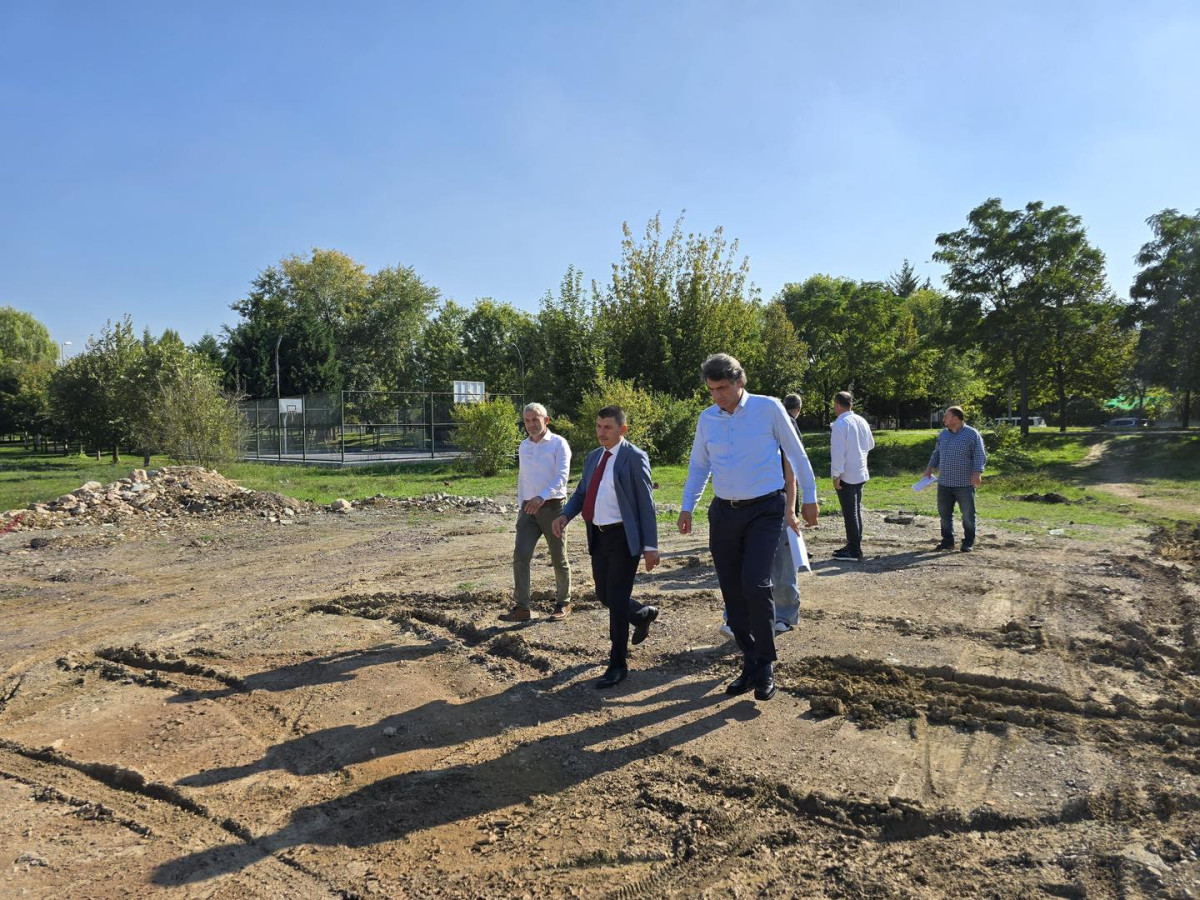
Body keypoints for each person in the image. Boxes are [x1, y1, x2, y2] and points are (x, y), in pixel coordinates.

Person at [679, 354, 818, 701]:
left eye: (722, 388)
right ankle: (750, 660)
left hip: (765, 510)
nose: (717, 396)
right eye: (711, 390)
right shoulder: (707, 418)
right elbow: (699, 466)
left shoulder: (768, 409)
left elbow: (797, 455)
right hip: (724, 512)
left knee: (756, 584)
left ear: (740, 381)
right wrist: (687, 506)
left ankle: (765, 665)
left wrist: (810, 497)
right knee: (732, 591)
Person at [553, 406, 660, 689]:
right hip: (598, 537)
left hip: (625, 538)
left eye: (608, 428)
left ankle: (617, 664)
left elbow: (646, 504)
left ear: (622, 430)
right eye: (599, 426)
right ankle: (641, 614)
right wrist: (565, 515)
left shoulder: (634, 457)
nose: (601, 432)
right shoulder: (593, 458)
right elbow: (582, 492)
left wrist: (651, 545)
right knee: (604, 594)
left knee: (615, 600)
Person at [721, 392, 805, 637]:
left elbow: (792, 475)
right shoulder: (740, 431)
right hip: (744, 508)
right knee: (744, 567)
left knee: (781, 564)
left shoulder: (783, 428)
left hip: (777, 504)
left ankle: (785, 615)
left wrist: (791, 510)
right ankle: (736, 617)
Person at [500, 403, 571, 622]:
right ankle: (522, 608)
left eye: (535, 419)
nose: (531, 424)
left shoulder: (559, 444)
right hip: (528, 511)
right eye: (527, 420)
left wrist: (541, 497)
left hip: (552, 508)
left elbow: (562, 477)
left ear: (546, 420)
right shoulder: (524, 446)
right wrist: (522, 502)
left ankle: (564, 603)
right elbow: (523, 477)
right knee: (520, 556)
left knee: (558, 557)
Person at [923, 406, 987, 552]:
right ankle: (947, 541)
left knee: (968, 514)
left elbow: (979, 455)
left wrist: (977, 472)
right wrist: (929, 468)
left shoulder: (972, 434)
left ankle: (968, 541)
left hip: (964, 483)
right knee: (944, 514)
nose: (943, 419)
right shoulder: (943, 434)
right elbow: (937, 453)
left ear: (956, 418)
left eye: (946, 416)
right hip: (944, 482)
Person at [829, 391, 875, 562]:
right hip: (861, 471)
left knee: (850, 513)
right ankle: (854, 544)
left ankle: (854, 550)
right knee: (856, 511)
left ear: (838, 405)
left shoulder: (840, 424)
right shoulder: (861, 420)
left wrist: (836, 475)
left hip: (846, 474)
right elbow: (871, 444)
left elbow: (838, 453)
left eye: (834, 405)